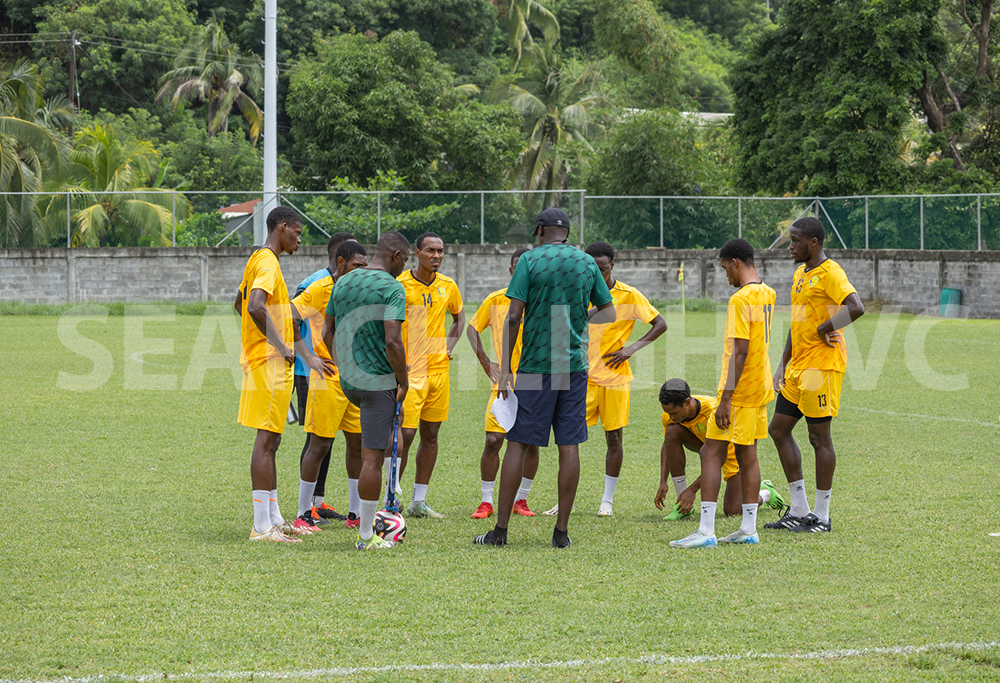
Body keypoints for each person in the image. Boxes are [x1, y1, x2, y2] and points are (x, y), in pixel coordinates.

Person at [475, 207, 615, 548]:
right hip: (573, 368)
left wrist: (506, 368)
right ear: (566, 232)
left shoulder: (530, 261)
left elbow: (513, 317)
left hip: (535, 366)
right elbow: (608, 310)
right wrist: (579, 320)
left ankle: (501, 531)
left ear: (540, 231)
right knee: (569, 445)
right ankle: (561, 533)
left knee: (518, 443)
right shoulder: (585, 262)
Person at [545, 241, 666, 517]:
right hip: (579, 377)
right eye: (593, 269)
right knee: (568, 440)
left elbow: (660, 324)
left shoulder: (629, 295)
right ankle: (567, 500)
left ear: (612, 265)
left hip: (614, 378)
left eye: (603, 268)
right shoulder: (576, 291)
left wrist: (631, 349)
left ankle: (607, 501)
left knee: (614, 439)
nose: (598, 274)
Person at [670, 238, 776, 549]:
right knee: (747, 455)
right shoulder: (767, 292)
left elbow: (740, 351)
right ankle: (748, 528)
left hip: (740, 392)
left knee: (709, 453)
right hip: (759, 388)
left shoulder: (740, 300)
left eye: (724, 268)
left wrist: (726, 398)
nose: (725, 275)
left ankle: (705, 531)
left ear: (734, 263)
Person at [235, 206, 331, 543]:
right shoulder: (266, 262)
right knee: (266, 441)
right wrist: (281, 345)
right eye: (298, 233)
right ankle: (261, 526)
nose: (300, 240)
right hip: (269, 361)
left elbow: (239, 302)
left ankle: (273, 517)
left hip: (265, 359)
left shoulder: (260, 260)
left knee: (273, 439)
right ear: (283, 227)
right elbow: (254, 306)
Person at [766, 217, 865, 533]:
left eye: (795, 240)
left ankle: (821, 517)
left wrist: (825, 327)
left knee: (818, 437)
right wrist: (782, 363)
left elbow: (856, 306)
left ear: (814, 242)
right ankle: (798, 509)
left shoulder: (831, 272)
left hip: (821, 367)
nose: (790, 246)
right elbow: (797, 325)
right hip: (797, 367)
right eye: (790, 240)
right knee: (778, 430)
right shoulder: (799, 274)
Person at [325, 231, 410, 550]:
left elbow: (326, 330)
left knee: (379, 447)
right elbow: (392, 342)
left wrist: (344, 364)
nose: (404, 268)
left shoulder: (344, 281)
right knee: (372, 457)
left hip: (350, 383)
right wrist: (403, 379)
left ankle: (387, 506)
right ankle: (366, 537)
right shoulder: (393, 287)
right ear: (397, 257)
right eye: (406, 261)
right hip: (378, 383)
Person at [292, 241, 369, 534]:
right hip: (327, 378)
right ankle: (303, 513)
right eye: (356, 265)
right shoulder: (319, 288)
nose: (361, 270)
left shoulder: (362, 290)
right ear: (340, 263)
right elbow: (289, 316)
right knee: (320, 444)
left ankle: (355, 513)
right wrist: (308, 355)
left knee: (357, 444)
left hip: (357, 379)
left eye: (365, 265)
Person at [393, 232, 465, 519]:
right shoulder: (400, 285)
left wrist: (449, 345)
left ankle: (418, 501)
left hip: (438, 372)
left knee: (431, 434)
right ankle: (392, 496)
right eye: (431, 251)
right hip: (410, 372)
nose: (436, 256)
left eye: (441, 251)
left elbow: (459, 319)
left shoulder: (448, 286)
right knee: (406, 434)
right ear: (417, 252)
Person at [466, 248, 540, 519]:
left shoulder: (542, 302)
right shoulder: (496, 300)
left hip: (535, 380)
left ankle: (521, 499)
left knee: (530, 443)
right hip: (504, 382)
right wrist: (487, 363)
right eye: (518, 267)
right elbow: (472, 328)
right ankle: (486, 501)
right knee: (494, 440)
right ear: (511, 271)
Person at [654, 379, 784, 520]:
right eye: (668, 413)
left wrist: (692, 490)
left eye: (674, 412)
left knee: (733, 510)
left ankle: (765, 493)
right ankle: (683, 507)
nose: (671, 417)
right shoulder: (669, 417)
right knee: (672, 432)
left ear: (686, 402)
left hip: (729, 454)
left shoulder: (713, 411)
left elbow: (720, 456)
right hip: (707, 447)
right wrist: (663, 481)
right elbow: (668, 444)